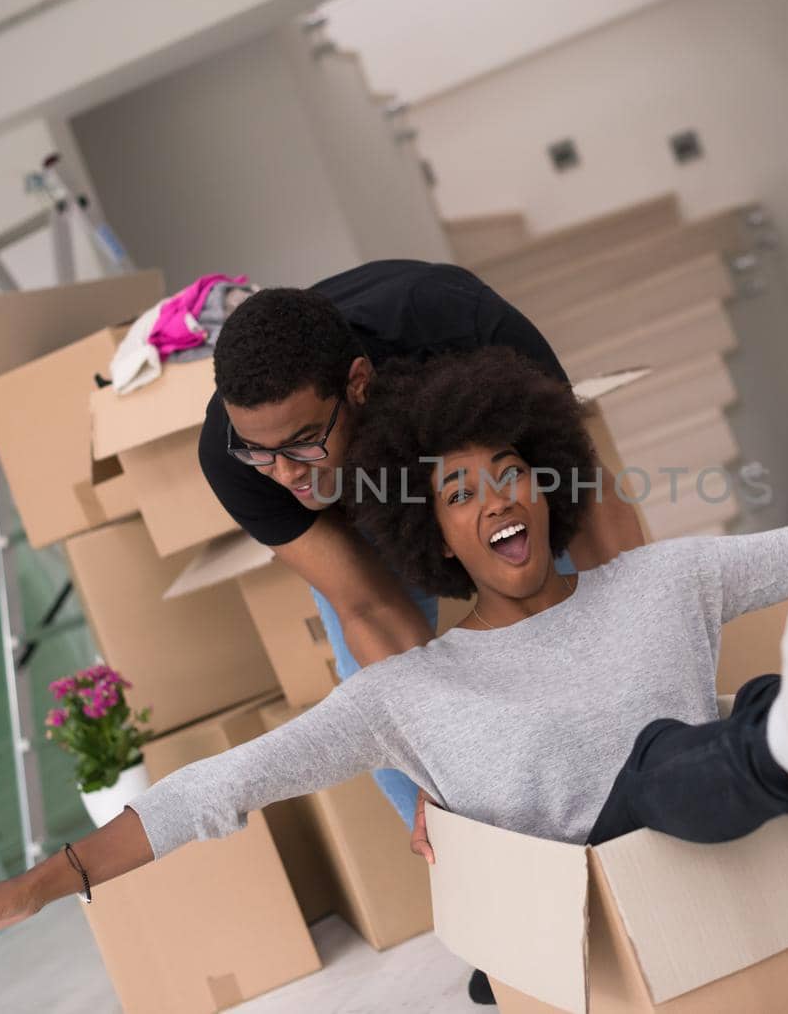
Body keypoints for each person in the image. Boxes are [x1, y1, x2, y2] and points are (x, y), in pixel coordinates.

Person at [0, 351, 788, 970]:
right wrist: (30, 891)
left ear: (546, 478)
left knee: (713, 736)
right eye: (458, 495)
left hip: (725, 823)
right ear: (434, 531)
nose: (493, 504)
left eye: (509, 474)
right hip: (594, 908)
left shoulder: (661, 581)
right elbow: (216, 790)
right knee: (668, 764)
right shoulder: (407, 692)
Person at [198, 261, 645, 835]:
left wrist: (639, 668)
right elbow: (371, 608)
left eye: (303, 441)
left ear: (359, 383)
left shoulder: (453, 324)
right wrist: (456, 788)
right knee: (395, 709)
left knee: (588, 622)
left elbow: (588, 502)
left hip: (476, 455)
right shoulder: (234, 455)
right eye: (261, 452)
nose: (283, 474)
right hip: (358, 504)